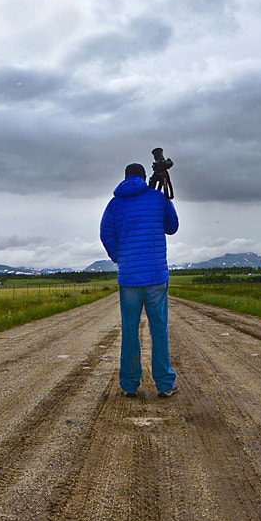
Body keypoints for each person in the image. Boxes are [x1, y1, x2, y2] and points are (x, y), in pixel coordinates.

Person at [100, 162, 180, 398]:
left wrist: (119, 256)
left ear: (124, 178)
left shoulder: (115, 203)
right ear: (145, 178)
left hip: (129, 278)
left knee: (130, 331)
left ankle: (129, 385)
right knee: (159, 330)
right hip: (156, 275)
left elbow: (106, 233)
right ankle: (165, 385)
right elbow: (172, 227)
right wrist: (166, 201)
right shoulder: (157, 198)